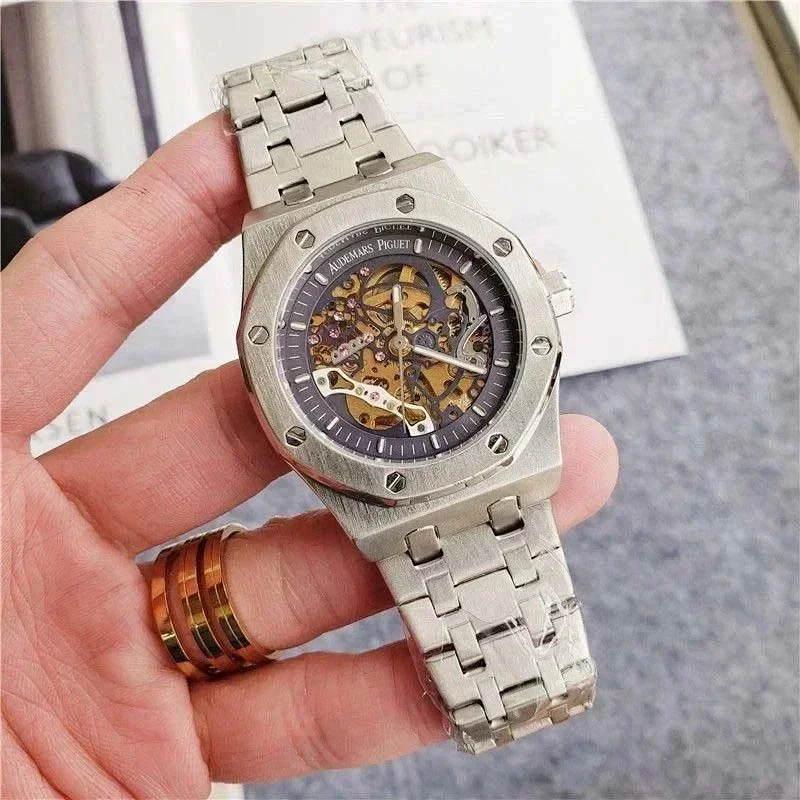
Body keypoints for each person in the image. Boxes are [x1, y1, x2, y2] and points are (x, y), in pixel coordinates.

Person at [0, 113, 619, 798]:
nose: (400, 347)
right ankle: (523, 684)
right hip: (397, 462)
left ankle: (531, 680)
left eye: (411, 332)